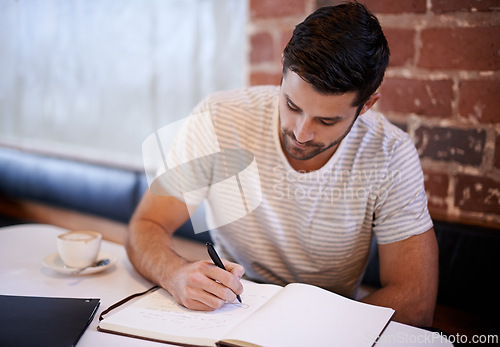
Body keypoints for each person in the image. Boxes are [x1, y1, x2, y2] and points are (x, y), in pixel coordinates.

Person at [127, 2, 438, 327]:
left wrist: (300, 330)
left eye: (326, 120)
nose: (301, 133)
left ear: (366, 105)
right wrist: (174, 274)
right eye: (291, 105)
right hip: (228, 314)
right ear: (283, 70)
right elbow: (147, 224)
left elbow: (415, 300)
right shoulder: (220, 119)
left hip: (327, 328)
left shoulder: (390, 154)